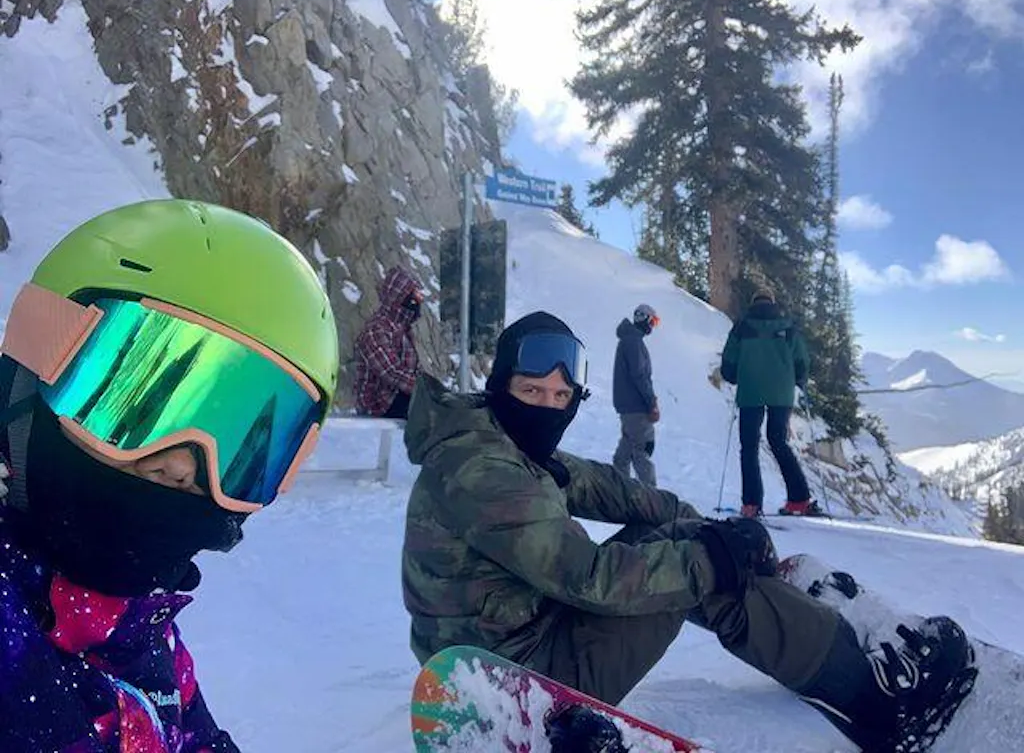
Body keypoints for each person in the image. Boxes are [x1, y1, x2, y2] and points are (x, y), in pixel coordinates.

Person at [401, 310, 975, 752]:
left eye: (561, 396)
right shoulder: (484, 470)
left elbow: (604, 486)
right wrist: (712, 555)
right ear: (501, 386)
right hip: (516, 676)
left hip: (511, 640)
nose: (549, 408)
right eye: (532, 392)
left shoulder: (497, 439)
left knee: (684, 542)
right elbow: (592, 578)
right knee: (694, 570)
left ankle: (805, 632)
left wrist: (706, 526)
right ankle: (875, 699)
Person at [0, 199, 339, 752]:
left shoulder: (140, 631)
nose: (181, 464)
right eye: (134, 407)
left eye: (239, 443)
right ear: (27, 374)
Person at [719, 287, 818, 518]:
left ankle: (751, 505)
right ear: (772, 303)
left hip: (750, 391)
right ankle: (799, 499)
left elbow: (729, 361)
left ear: (753, 303)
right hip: (781, 393)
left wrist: (734, 377)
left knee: (749, 447)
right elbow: (802, 361)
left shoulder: (742, 327)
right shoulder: (788, 327)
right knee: (778, 441)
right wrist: (799, 379)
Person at [353, 265, 423, 419]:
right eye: (414, 297)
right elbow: (391, 372)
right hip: (379, 405)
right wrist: (423, 390)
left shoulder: (402, 328)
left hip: (397, 398)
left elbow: (412, 370)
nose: (418, 301)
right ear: (400, 298)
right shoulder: (376, 330)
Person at [612, 304, 660, 487]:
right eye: (653, 322)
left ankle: (618, 489)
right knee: (642, 449)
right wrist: (651, 402)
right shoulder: (633, 342)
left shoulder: (629, 339)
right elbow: (639, 375)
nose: (653, 327)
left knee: (625, 451)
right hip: (636, 407)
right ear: (645, 319)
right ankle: (652, 497)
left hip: (628, 406)